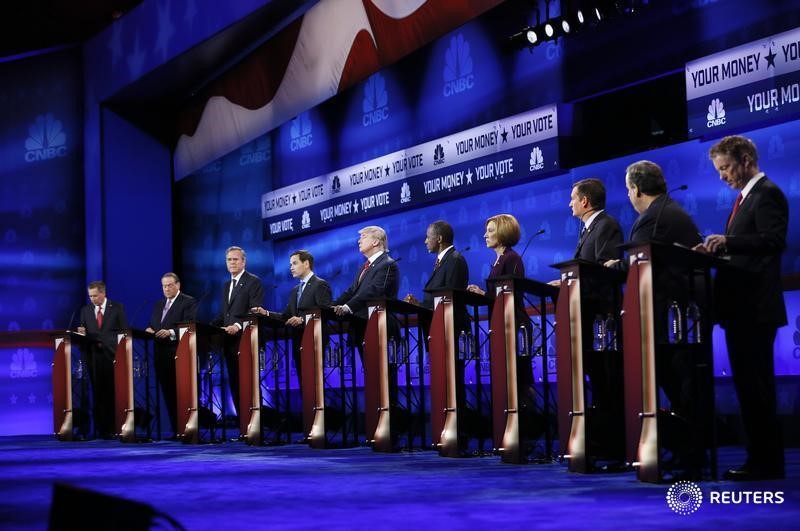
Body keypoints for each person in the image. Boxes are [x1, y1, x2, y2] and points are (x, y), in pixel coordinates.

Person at [696, 135, 787, 481]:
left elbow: (773, 241)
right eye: (718, 170)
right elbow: (749, 249)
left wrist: (728, 241)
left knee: (757, 390)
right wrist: (716, 251)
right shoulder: (744, 199)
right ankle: (759, 459)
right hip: (741, 310)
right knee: (749, 390)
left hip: (755, 309)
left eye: (725, 167)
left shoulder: (768, 194)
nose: (722, 176)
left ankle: (765, 463)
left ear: (746, 158)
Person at [607, 160, 704, 476]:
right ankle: (688, 453)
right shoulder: (668, 209)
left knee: (681, 388)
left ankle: (691, 454)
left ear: (635, 189)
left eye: (628, 190)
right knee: (680, 388)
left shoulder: (654, 218)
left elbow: (642, 265)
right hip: (675, 318)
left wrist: (613, 267)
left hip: (670, 319)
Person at [466, 214, 536, 426]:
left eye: (490, 231)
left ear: (503, 232)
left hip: (515, 325)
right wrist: (481, 294)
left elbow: (510, 294)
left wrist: (485, 295)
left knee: (519, 379)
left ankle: (526, 427)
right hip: (502, 324)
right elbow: (497, 296)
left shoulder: (511, 258)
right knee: (508, 379)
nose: (485, 235)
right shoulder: (499, 258)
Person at [251, 250, 332, 381]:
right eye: (290, 265)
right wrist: (265, 313)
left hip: (315, 340)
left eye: (294, 263)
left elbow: (325, 312)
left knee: (314, 383)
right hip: (298, 341)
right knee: (304, 382)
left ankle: (318, 403)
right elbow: (286, 316)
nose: (291, 268)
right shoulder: (295, 290)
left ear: (306, 264)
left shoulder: (320, 284)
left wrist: (302, 319)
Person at [210, 246, 264, 419]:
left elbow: (254, 310)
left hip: (246, 339)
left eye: (235, 259)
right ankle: (243, 426)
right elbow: (224, 314)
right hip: (228, 342)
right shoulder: (226, 285)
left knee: (248, 383)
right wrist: (209, 327)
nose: (232, 262)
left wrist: (238, 325)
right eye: (229, 260)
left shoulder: (253, 281)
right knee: (234, 382)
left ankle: (254, 424)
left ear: (243, 261)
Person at [145, 273, 197, 438]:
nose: (166, 289)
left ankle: (186, 429)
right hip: (160, 354)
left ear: (178, 285)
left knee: (180, 393)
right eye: (164, 286)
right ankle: (176, 429)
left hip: (178, 353)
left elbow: (190, 325)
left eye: (169, 285)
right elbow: (153, 324)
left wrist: (171, 332)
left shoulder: (188, 302)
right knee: (168, 393)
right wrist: (149, 330)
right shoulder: (159, 304)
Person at [333, 225, 399, 349]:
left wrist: (348, 307)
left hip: (379, 327)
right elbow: (352, 291)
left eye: (363, 237)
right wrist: (330, 307)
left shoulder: (388, 264)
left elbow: (374, 291)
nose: (359, 241)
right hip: (361, 327)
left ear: (375, 242)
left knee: (383, 369)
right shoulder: (364, 267)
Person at [77, 280, 129, 438]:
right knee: (98, 393)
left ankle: (116, 428)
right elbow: (84, 330)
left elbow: (123, 332)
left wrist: (103, 339)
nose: (92, 299)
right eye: (90, 296)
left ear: (103, 293)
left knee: (112, 392)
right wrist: (81, 333)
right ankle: (102, 430)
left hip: (112, 355)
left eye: (94, 295)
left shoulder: (117, 307)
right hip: (93, 357)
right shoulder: (85, 310)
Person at [570, 178, 623, 263]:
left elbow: (605, 267)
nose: (570, 204)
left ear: (584, 201)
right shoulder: (590, 228)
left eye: (573, 199)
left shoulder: (606, 225)